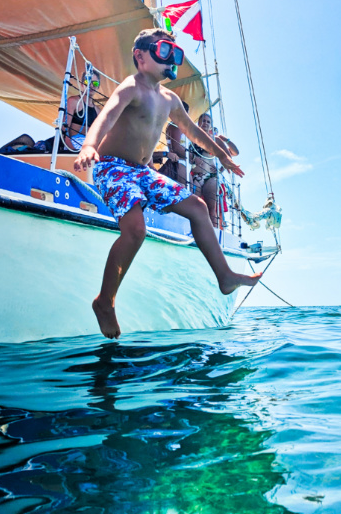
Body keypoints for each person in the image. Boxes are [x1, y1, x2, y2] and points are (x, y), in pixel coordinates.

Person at [74, 27, 261, 338]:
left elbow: (193, 132)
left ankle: (225, 276)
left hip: (143, 171)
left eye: (175, 54)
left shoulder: (170, 99)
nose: (171, 59)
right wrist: (89, 146)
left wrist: (220, 155)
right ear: (140, 56)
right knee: (135, 230)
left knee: (198, 207)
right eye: (164, 51)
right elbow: (106, 116)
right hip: (113, 167)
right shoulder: (131, 87)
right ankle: (104, 301)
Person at [190, 113, 239, 226]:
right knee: (195, 206)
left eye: (208, 122)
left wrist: (220, 170)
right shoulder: (192, 137)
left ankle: (214, 231)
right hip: (196, 176)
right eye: (203, 121)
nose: (205, 123)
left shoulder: (215, 140)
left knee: (212, 209)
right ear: (199, 122)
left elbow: (229, 156)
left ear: (211, 125)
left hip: (210, 177)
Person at [158, 100, 190, 185]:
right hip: (178, 163)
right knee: (187, 189)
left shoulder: (172, 126)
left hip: (177, 163)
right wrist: (193, 157)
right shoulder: (176, 126)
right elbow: (176, 148)